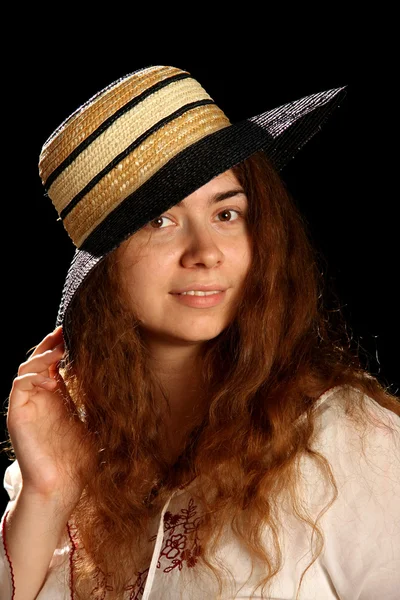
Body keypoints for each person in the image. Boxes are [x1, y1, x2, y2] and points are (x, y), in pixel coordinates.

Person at [0, 65, 399, 600]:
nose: (206, 252)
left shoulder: (346, 443)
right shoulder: (58, 468)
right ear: (102, 270)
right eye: (159, 221)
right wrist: (48, 494)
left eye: (227, 213)